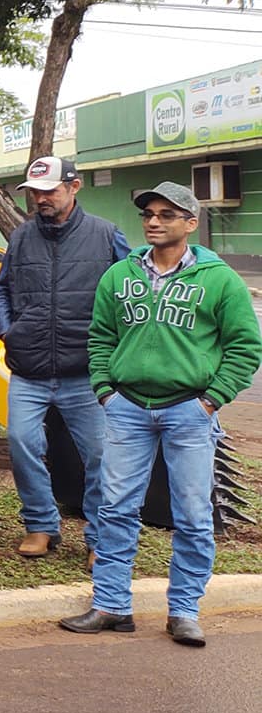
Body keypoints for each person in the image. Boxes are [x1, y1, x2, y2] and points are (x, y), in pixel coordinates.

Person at [63, 182, 261, 647]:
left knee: (192, 515)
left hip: (189, 412)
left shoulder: (219, 279)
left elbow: (245, 347)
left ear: (190, 224)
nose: (154, 221)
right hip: (127, 409)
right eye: (149, 213)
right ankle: (111, 605)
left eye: (167, 214)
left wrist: (210, 400)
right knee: (115, 509)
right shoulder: (119, 275)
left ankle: (185, 610)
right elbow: (100, 338)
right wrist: (106, 391)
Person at [0, 156, 130, 559]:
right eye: (34, 192)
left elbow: (131, 293)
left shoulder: (106, 236)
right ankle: (40, 525)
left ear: (75, 186)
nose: (40, 199)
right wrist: (8, 330)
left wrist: (113, 347)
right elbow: (2, 290)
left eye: (49, 190)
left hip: (86, 372)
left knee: (101, 455)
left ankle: (100, 537)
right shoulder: (20, 237)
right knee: (21, 444)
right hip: (30, 369)